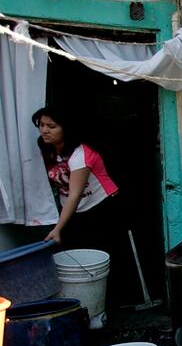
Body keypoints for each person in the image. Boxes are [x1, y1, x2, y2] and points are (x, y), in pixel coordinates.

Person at [32, 106, 119, 247]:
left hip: (100, 205)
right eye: (42, 125)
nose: (44, 130)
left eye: (51, 126)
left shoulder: (81, 154)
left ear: (66, 128)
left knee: (100, 251)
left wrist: (58, 228)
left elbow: (75, 195)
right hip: (72, 208)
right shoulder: (46, 149)